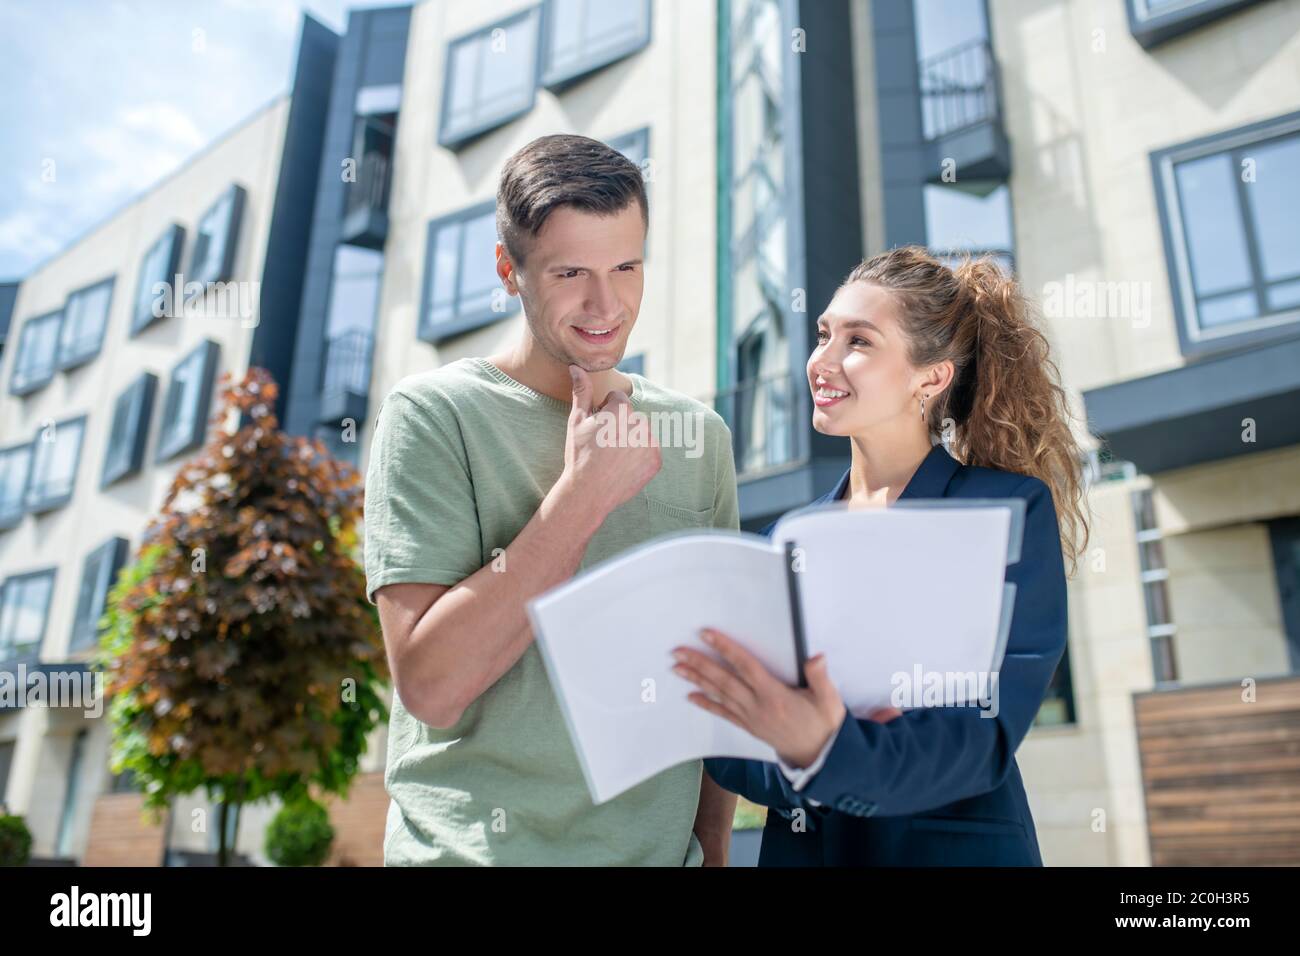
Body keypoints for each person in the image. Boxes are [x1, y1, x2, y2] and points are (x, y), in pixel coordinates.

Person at [365, 134, 739, 865]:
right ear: (510, 271)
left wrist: (713, 852)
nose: (607, 304)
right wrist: (579, 500)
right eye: (570, 272)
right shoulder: (433, 416)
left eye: (627, 267)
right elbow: (432, 688)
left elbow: (712, 690)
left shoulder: (700, 437)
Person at [674, 245, 1089, 865]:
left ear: (932, 376)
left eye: (859, 341)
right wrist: (796, 753)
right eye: (824, 335)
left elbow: (980, 736)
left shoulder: (1004, 511)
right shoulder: (787, 540)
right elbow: (730, 745)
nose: (823, 360)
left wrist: (826, 746)